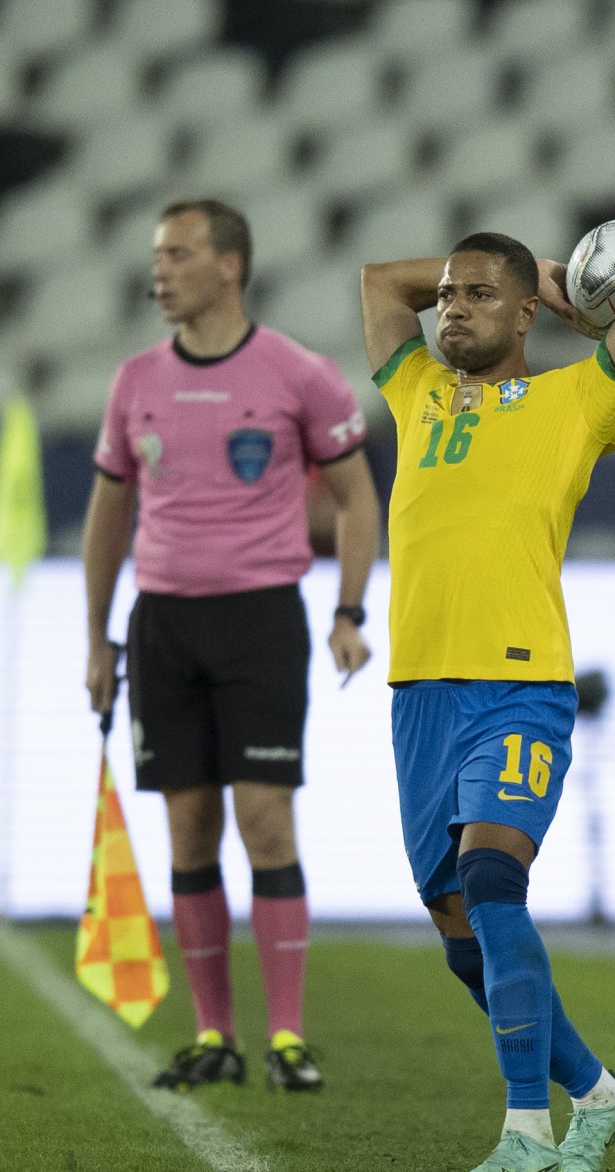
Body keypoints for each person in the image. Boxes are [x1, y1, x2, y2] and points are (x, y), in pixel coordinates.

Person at [360, 230, 615, 1172]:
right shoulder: (415, 390)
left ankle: (526, 1127)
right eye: (448, 296)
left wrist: (570, 289)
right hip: (418, 694)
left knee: (494, 884)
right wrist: (507, 276)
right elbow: (378, 280)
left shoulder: (577, 399)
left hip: (519, 685)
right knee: (463, 941)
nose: (450, 307)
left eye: (477, 296)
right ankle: (598, 1095)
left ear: (524, 316)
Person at [83, 198, 380, 1093]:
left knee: (263, 820)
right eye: (157, 255)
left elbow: (361, 500)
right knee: (187, 827)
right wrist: (98, 636)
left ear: (229, 266)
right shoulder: (134, 379)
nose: (159, 270)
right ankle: (216, 1035)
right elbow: (109, 513)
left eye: (177, 253)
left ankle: (287, 1033)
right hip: (164, 623)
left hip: (259, 618)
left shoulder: (300, 374)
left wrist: (350, 611)